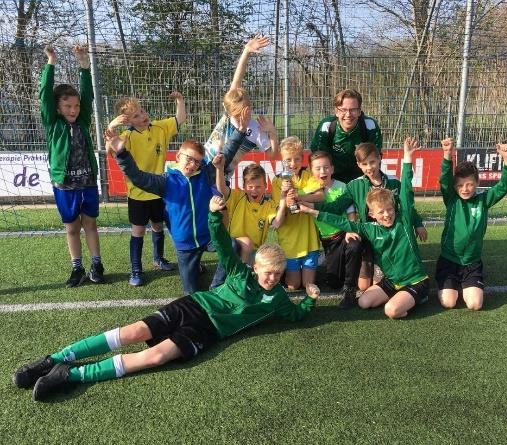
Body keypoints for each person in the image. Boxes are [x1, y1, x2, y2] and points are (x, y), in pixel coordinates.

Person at [12, 195, 320, 402]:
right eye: (268, 272)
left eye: (277, 274)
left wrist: (309, 299)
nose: (272, 278)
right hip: (194, 305)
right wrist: (215, 214)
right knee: (135, 332)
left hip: (206, 332)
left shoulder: (278, 297)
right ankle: (53, 359)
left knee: (156, 357)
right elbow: (224, 243)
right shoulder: (240, 272)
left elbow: (296, 315)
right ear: (256, 267)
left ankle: (72, 374)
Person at [104, 121, 245, 295]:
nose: (193, 165)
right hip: (185, 246)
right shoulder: (166, 181)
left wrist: (240, 131)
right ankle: (195, 269)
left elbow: (226, 154)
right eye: (189, 159)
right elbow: (138, 178)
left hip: (208, 237)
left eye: (197, 162)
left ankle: (216, 286)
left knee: (232, 245)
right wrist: (121, 152)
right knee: (191, 295)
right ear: (178, 156)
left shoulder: (204, 176)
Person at [300, 138, 430, 319]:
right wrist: (311, 209)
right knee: (363, 297)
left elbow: (408, 202)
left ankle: (410, 295)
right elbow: (339, 213)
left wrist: (417, 223)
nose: (370, 167)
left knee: (391, 308)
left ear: (380, 159)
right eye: (365, 164)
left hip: (398, 235)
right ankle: (387, 289)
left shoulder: (394, 186)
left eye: (372, 162)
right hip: (372, 236)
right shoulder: (355, 187)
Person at [40, 45, 104, 287]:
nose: (73, 110)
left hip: (87, 182)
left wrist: (84, 64)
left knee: (90, 224)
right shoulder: (52, 123)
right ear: (57, 107)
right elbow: (45, 93)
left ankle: (96, 264)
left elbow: (87, 94)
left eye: (75, 106)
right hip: (64, 185)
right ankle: (77, 268)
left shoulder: (83, 118)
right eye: (67, 106)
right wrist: (51, 62)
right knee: (71, 228)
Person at [107, 93, 186, 286]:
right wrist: (111, 127)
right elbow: (110, 147)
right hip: (138, 194)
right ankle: (136, 269)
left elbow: (180, 119)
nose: (142, 115)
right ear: (127, 122)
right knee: (138, 231)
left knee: (158, 226)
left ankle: (158, 259)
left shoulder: (160, 127)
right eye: (135, 116)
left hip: (159, 190)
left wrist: (180, 101)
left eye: (141, 111)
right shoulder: (127, 137)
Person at [436, 138, 507, 311]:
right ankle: (449, 284)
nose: (465, 189)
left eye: (470, 184)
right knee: (448, 302)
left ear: (477, 183)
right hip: (449, 261)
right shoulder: (451, 199)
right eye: (461, 185)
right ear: (455, 186)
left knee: (475, 305)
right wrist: (447, 155)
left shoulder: (483, 201)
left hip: (472, 263)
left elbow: (503, 186)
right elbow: (445, 180)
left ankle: (467, 283)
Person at [204, 34, 279, 178]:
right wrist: (246, 51)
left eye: (246, 111)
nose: (242, 116)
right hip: (201, 165)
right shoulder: (227, 114)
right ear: (229, 111)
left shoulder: (256, 129)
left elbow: (272, 155)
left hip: (220, 178)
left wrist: (273, 134)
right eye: (237, 114)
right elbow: (236, 80)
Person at [209, 157, 288, 288]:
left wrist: (283, 199)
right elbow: (222, 188)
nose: (254, 190)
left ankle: (245, 279)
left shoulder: (269, 205)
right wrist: (219, 168)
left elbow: (277, 223)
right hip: (232, 245)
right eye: (250, 187)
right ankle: (229, 282)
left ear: (265, 186)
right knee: (246, 242)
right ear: (244, 187)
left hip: (255, 253)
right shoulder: (238, 197)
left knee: (273, 267)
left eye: (258, 186)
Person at [301, 151, 362, 309]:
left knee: (354, 244)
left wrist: (350, 228)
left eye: (326, 167)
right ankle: (347, 269)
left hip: (343, 234)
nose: (323, 171)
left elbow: (351, 213)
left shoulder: (342, 187)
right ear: (311, 170)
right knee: (334, 282)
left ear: (332, 169)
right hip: (328, 241)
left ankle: (349, 290)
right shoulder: (307, 190)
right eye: (318, 168)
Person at [271, 137, 323, 291]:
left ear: (302, 158)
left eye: (297, 159)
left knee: (308, 285)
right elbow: (279, 209)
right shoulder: (277, 181)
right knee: (293, 286)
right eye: (288, 160)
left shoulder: (308, 175)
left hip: (309, 239)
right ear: (282, 159)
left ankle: (313, 268)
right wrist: (285, 197)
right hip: (289, 240)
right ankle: (283, 273)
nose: (293, 164)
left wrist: (298, 196)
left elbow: (320, 196)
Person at [310, 89, 382, 183]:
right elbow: (318, 161)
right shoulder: (326, 127)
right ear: (336, 111)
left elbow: (375, 161)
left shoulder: (370, 126)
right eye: (343, 110)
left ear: (359, 111)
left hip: (362, 179)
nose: (348, 114)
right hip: (333, 179)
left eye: (353, 110)